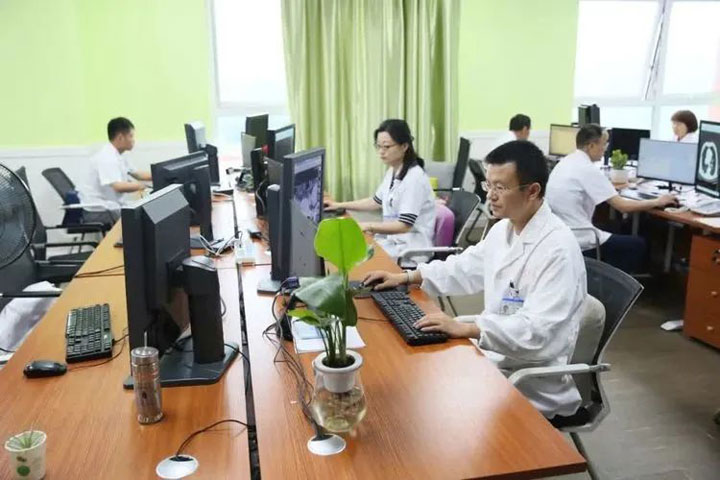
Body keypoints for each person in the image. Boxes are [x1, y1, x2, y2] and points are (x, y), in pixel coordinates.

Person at [363, 141, 586, 420]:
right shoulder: (504, 229)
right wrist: (407, 276)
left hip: (529, 380)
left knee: (428, 403)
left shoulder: (558, 250)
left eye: (500, 187)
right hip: (496, 359)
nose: (490, 195)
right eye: (488, 185)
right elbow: (464, 267)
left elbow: (538, 332)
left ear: (532, 191)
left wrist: (468, 328)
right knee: (413, 379)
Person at [546, 124, 676, 273]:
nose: (606, 148)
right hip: (582, 238)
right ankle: (619, 282)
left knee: (622, 226)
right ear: (591, 146)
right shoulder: (587, 169)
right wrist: (658, 201)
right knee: (639, 243)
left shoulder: (567, 162)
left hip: (564, 233)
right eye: (604, 144)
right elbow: (623, 206)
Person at [324, 119, 436, 262]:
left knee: (350, 256)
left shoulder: (414, 179)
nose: (381, 152)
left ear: (404, 146)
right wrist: (339, 205)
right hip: (393, 242)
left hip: (409, 251)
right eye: (378, 146)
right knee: (345, 248)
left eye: (387, 147)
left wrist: (367, 226)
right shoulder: (393, 170)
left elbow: (404, 226)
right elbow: (375, 202)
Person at [78, 117, 151, 224]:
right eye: (131, 136)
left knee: (143, 216)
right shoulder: (107, 157)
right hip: (98, 211)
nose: (133, 140)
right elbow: (118, 187)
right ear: (120, 137)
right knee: (142, 219)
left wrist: (160, 175)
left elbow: (138, 174)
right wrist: (142, 186)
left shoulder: (119, 155)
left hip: (110, 207)